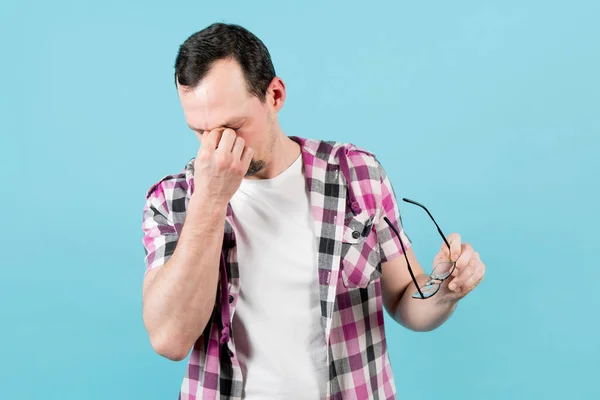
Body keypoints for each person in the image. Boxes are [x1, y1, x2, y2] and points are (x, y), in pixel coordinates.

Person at [140, 22, 486, 400]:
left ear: (275, 95)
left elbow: (407, 298)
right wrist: (209, 200)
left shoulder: (356, 174)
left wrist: (445, 291)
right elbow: (169, 340)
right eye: (200, 131)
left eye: (232, 126)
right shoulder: (172, 201)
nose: (217, 147)